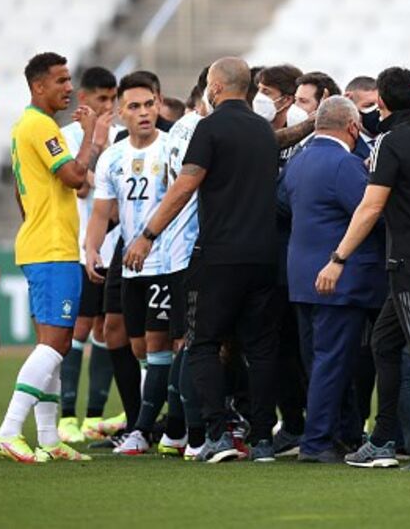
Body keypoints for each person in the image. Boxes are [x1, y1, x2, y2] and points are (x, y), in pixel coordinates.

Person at [122, 57, 280, 463]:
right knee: (261, 349)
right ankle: (263, 438)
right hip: (265, 255)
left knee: (202, 343)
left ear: (216, 87)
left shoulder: (209, 128)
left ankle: (216, 434)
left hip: (220, 254)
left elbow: (184, 186)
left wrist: (147, 236)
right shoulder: (263, 131)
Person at [317, 66, 410, 471]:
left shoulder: (389, 141)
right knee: (384, 343)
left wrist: (337, 259)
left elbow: (371, 206)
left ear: (381, 101)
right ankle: (383, 439)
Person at [0, 52, 110, 463]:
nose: (69, 88)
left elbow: (28, 190)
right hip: (53, 249)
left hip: (42, 244)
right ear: (38, 86)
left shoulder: (26, 126)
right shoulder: (41, 126)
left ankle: (48, 437)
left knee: (51, 346)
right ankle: (8, 431)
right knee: (57, 345)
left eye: (69, 79)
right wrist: (91, 138)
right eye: (60, 80)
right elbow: (76, 178)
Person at [283, 96, 386, 463]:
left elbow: (283, 203)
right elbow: (371, 214)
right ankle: (317, 441)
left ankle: (342, 432)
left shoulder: (297, 161)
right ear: (353, 127)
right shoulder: (346, 165)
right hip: (339, 277)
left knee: (318, 360)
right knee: (333, 361)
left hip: (301, 275)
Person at [85, 71, 173, 456]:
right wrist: (91, 249)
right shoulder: (113, 156)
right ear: (121, 113)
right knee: (121, 335)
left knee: (157, 342)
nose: (143, 112)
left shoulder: (172, 149)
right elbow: (101, 211)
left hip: (165, 257)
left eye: (149, 104)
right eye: (134, 107)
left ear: (159, 104)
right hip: (126, 256)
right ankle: (140, 420)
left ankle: (151, 427)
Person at [56, 66, 120, 444]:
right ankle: (67, 415)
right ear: (84, 99)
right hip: (82, 246)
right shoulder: (67, 137)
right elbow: (80, 187)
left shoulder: (122, 137)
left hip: (114, 249)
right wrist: (95, 143)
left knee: (106, 329)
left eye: (113, 99)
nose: (108, 107)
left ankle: (94, 415)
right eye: (101, 99)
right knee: (77, 330)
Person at [157, 79, 209, 460]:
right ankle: (195, 436)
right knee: (196, 342)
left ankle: (175, 431)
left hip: (175, 246)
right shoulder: (201, 130)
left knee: (185, 343)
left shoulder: (179, 128)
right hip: (192, 245)